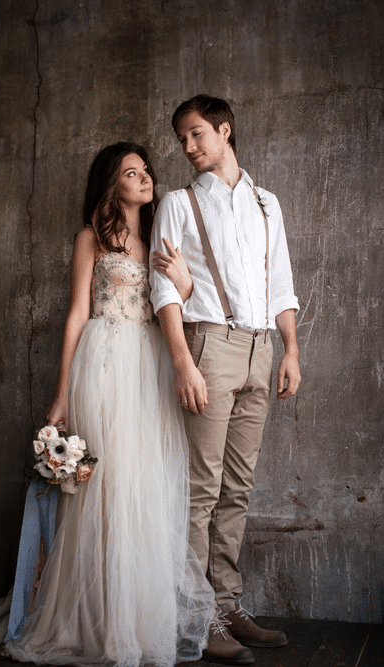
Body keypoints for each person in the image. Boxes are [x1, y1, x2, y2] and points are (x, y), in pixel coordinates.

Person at [0, 142, 216, 667]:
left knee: (140, 486)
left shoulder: (159, 239)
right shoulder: (92, 238)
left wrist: (183, 278)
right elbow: (76, 314)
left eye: (147, 169)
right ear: (113, 184)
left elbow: (185, 297)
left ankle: (129, 619)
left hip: (150, 364)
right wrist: (61, 393)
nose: (146, 177)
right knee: (102, 487)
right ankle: (96, 623)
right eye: (132, 172)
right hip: (105, 361)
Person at [149, 95, 301, 666]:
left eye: (195, 135)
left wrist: (290, 349)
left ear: (224, 130)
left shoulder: (267, 203)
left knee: (237, 488)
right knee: (200, 491)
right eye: (181, 140)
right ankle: (197, 617)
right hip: (208, 345)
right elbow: (163, 290)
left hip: (262, 349)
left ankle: (228, 604)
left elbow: (281, 282)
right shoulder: (178, 203)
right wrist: (183, 362)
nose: (187, 148)